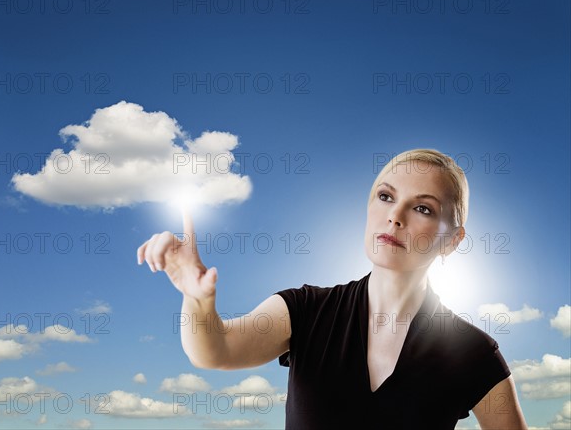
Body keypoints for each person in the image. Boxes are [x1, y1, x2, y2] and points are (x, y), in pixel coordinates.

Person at [137, 148, 529, 429]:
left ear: (453, 239)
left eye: (422, 208)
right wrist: (197, 299)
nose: (394, 216)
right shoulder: (304, 310)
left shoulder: (474, 354)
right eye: (386, 196)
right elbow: (215, 352)